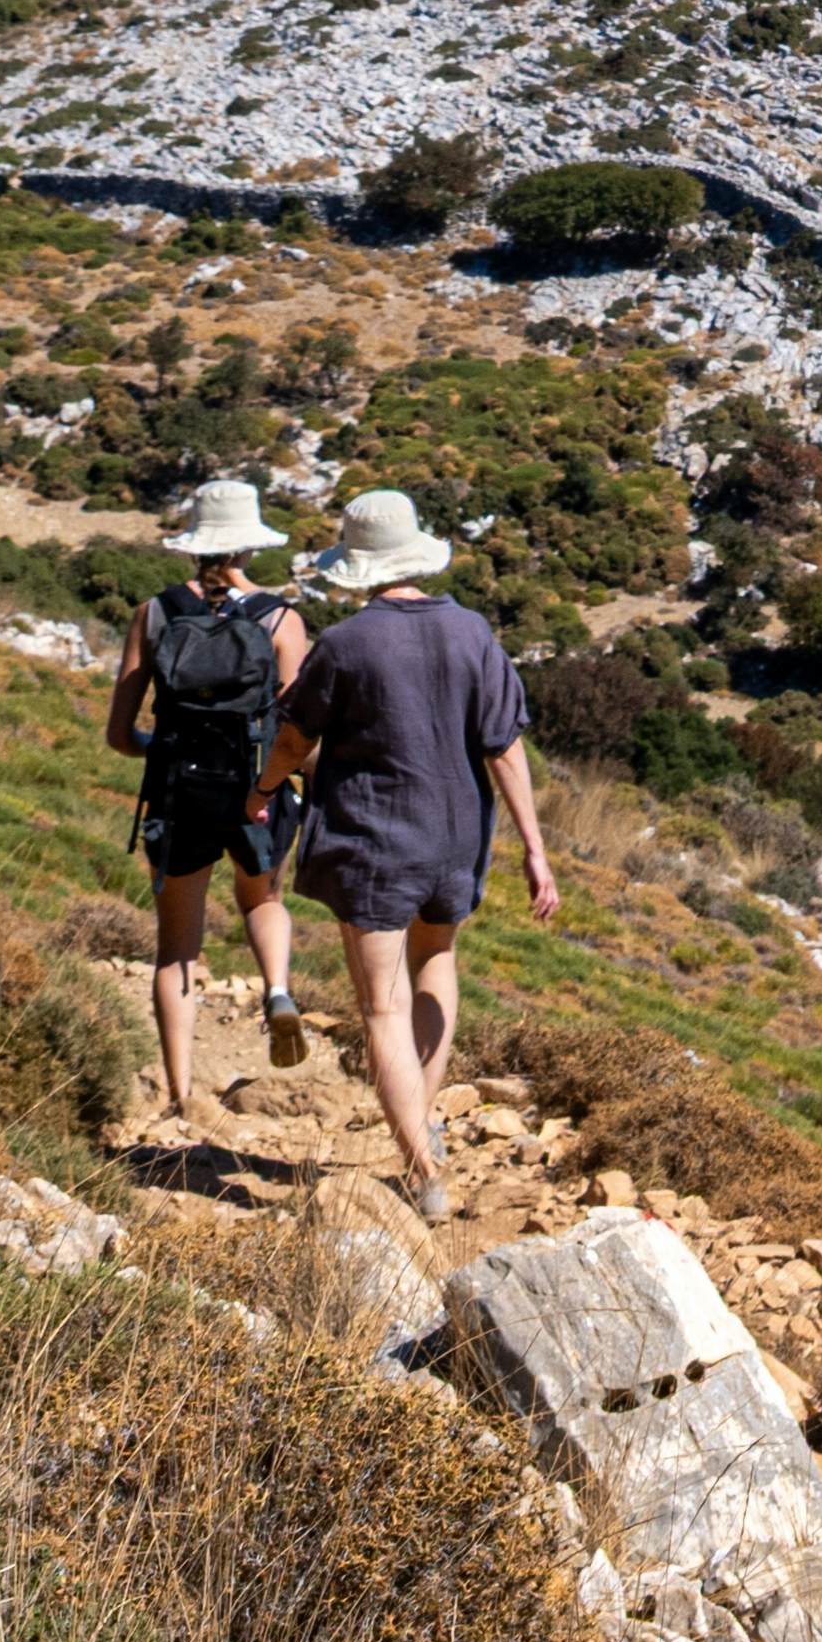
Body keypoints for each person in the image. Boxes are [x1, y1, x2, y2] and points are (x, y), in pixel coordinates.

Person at [264, 485, 556, 1217]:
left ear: (356, 566)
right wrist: (535, 851)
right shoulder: (472, 632)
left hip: (376, 840)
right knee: (438, 964)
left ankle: (422, 1169)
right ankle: (421, 1122)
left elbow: (297, 738)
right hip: (457, 836)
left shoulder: (346, 643)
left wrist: (260, 789)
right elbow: (506, 749)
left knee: (381, 1008)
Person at [103, 475, 312, 1116]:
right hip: (257, 791)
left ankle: (179, 1094)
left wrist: (161, 750)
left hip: (176, 790)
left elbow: (119, 734)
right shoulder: (281, 619)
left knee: (177, 946)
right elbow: (297, 731)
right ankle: (276, 989)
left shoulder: (156, 612)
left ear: (193, 544)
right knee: (262, 898)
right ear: (250, 547)